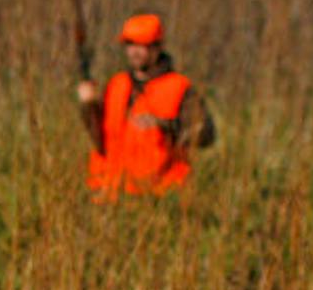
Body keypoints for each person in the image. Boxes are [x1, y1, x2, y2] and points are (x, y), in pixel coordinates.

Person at [74, 12, 215, 196]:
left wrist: (165, 125)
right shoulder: (116, 84)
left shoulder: (180, 88)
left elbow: (206, 134)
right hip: (111, 196)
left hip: (159, 197)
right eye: (130, 44)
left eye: (143, 45)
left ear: (158, 47)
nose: (135, 51)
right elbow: (102, 142)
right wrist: (89, 106)